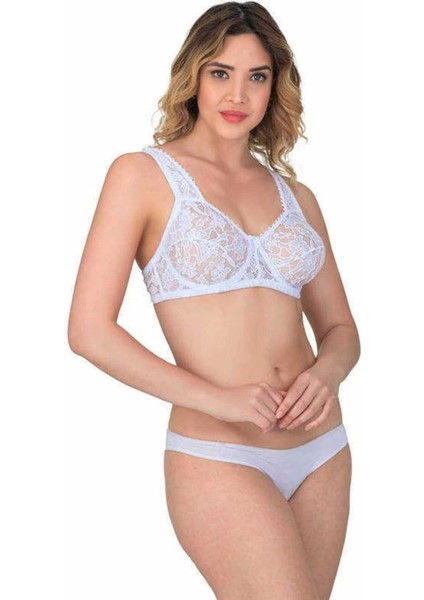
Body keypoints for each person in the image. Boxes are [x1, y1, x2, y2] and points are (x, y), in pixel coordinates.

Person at [68, 2, 361, 599]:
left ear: (275, 87)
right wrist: (219, 400)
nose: (238, 94)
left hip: (322, 449)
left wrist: (327, 374)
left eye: (257, 76)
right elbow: (89, 331)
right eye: (220, 72)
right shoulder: (141, 175)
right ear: (193, 77)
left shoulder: (297, 196)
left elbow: (341, 329)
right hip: (220, 451)